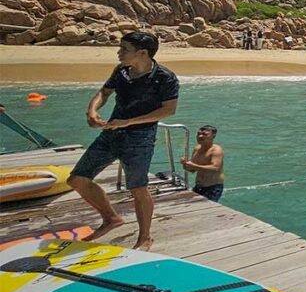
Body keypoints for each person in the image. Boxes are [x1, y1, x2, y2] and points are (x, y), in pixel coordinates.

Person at [68, 32, 179, 251]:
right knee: (77, 180)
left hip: (140, 138)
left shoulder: (165, 77)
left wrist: (128, 122)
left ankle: (145, 238)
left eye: (124, 49)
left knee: (138, 188)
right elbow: (104, 92)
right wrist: (92, 110)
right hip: (111, 133)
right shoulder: (121, 71)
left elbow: (168, 111)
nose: (118, 53)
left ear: (142, 53)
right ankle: (111, 218)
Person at [180, 125, 225, 202]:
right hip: (198, 186)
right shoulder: (197, 149)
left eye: (205, 134)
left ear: (213, 136)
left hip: (212, 188)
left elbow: (215, 168)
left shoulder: (216, 150)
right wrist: (185, 163)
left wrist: (193, 165)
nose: (200, 136)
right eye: (198, 134)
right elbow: (192, 170)